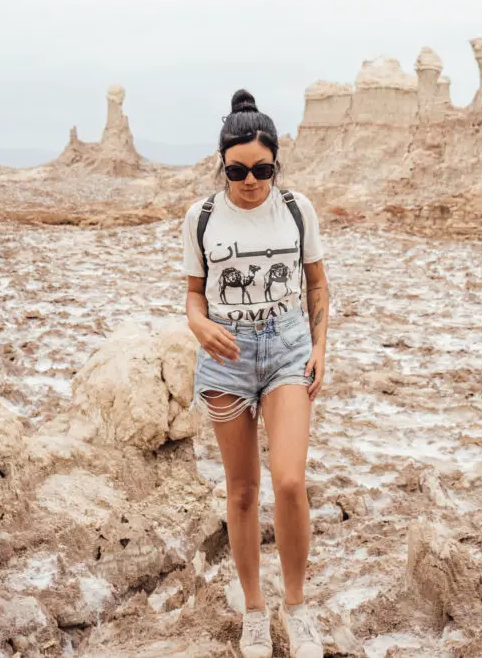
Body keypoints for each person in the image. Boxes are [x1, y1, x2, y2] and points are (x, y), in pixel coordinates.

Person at [181, 89, 329, 658]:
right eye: (237, 170)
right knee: (242, 491)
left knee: (290, 481)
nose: (250, 181)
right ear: (222, 164)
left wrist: (320, 347)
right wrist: (200, 327)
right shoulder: (201, 219)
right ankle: (254, 612)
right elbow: (193, 298)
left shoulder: (297, 209)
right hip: (227, 358)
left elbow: (316, 283)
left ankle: (296, 606)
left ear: (276, 164)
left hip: (289, 347)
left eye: (262, 169)